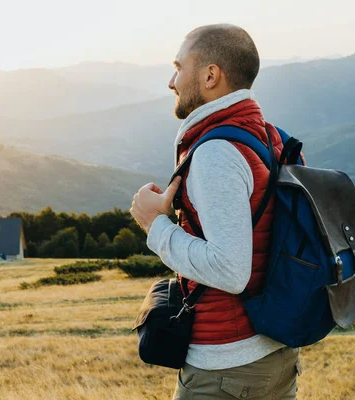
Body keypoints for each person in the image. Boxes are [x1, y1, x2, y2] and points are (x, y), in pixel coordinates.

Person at [129, 24, 302, 399]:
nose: (171, 80)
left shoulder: (216, 152)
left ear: (210, 75)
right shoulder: (268, 135)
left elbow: (230, 270)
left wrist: (154, 225)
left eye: (179, 66)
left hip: (227, 367)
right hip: (275, 353)